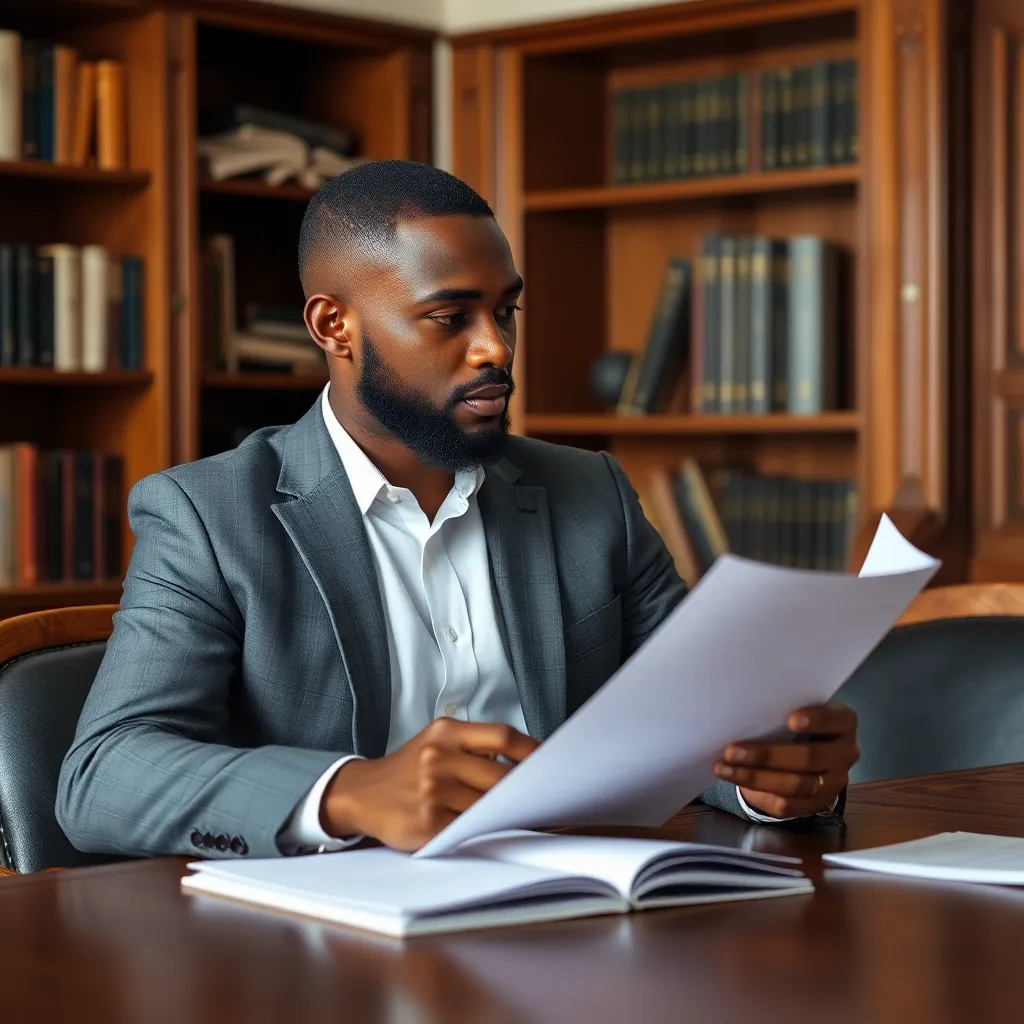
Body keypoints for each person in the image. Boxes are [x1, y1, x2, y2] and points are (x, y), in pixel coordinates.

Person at [56, 161, 859, 859]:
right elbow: (104, 774)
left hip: (570, 920)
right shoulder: (208, 514)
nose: (496, 349)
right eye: (450, 318)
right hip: (320, 954)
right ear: (334, 326)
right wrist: (352, 792)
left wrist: (776, 779)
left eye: (505, 310)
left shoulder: (594, 496)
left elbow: (692, 731)